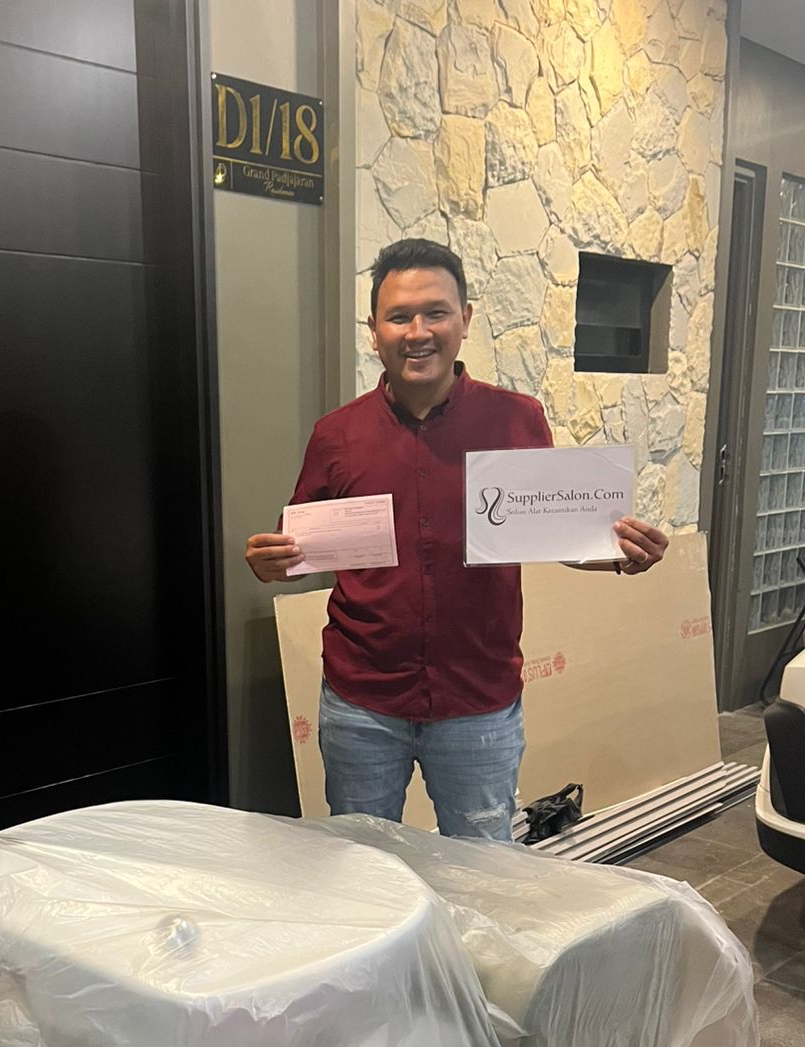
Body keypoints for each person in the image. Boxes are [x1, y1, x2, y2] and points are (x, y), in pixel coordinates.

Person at [246, 238, 668, 841]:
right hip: (362, 701)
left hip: (479, 703)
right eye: (399, 316)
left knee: (483, 869)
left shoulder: (516, 420)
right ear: (374, 332)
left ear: (464, 320)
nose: (418, 332)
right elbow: (302, 547)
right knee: (365, 867)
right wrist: (272, 562)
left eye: (436, 313)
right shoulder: (336, 435)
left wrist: (619, 555)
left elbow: (550, 531)